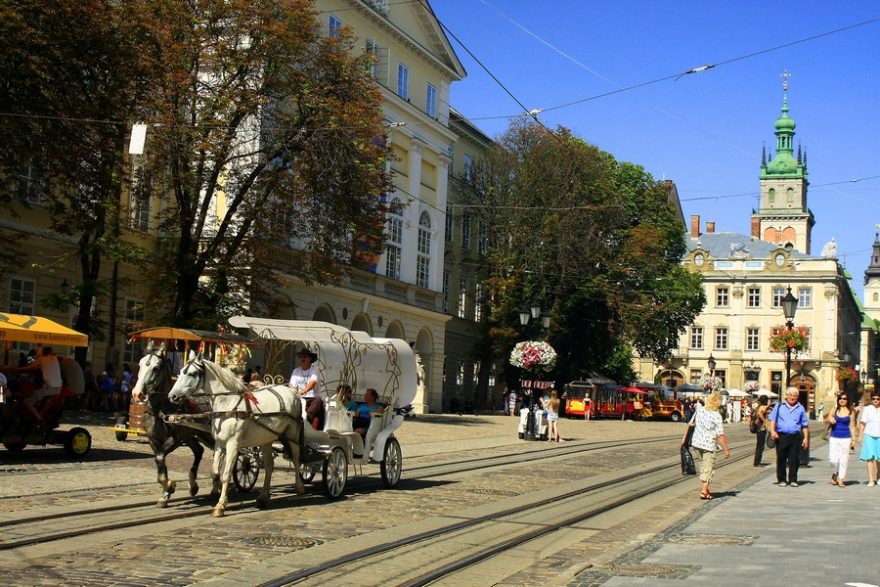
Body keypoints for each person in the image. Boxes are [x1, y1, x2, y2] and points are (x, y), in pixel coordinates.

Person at [682, 390, 729, 500]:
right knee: (709, 468)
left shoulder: (700, 410)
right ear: (717, 402)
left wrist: (684, 440)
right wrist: (726, 450)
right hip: (708, 444)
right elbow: (720, 435)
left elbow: (690, 425)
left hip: (697, 443)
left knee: (703, 466)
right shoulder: (716, 415)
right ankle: (704, 492)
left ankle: (706, 489)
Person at [768, 386, 810, 487]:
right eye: (790, 395)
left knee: (794, 459)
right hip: (781, 436)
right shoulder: (779, 406)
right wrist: (773, 431)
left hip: (795, 437)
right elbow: (772, 420)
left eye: (795, 396)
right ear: (786, 396)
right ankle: (782, 479)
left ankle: (793, 480)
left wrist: (806, 438)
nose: (792, 397)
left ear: (797, 397)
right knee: (781, 458)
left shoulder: (800, 408)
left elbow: (804, 425)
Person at [20, 346, 63, 427]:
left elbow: (28, 367)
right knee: (40, 398)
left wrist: (15, 368)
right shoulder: (55, 358)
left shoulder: (41, 359)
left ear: (43, 353)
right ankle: (39, 416)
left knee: (26, 401)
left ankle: (39, 419)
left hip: (49, 388)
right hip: (58, 389)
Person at [826, 393, 857, 487]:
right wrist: (830, 418)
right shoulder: (835, 409)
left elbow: (852, 426)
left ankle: (841, 478)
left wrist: (854, 439)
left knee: (844, 459)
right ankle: (834, 473)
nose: (842, 400)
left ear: (847, 400)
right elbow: (827, 418)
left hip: (846, 438)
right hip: (834, 437)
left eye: (844, 399)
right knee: (833, 459)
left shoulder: (851, 411)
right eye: (840, 398)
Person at [289, 348, 324, 430]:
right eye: (301, 357)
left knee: (317, 401)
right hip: (300, 399)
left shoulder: (315, 369)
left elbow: (312, 383)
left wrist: (303, 391)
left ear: (310, 359)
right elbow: (292, 387)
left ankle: (306, 421)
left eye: (304, 357)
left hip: (313, 399)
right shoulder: (296, 371)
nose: (302, 359)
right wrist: (296, 393)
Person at [858, 392, 880, 486]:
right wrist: (860, 436)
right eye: (874, 398)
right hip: (869, 435)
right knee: (869, 457)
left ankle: (878, 476)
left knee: (879, 458)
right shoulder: (867, 409)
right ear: (871, 400)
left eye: (878, 399)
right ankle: (871, 479)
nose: (875, 400)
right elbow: (862, 423)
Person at [752, 395, 770, 466]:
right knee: (760, 446)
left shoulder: (758, 407)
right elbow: (760, 414)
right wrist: (765, 421)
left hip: (757, 428)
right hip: (761, 428)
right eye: (767, 400)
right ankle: (757, 462)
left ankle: (756, 461)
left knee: (759, 445)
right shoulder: (763, 407)